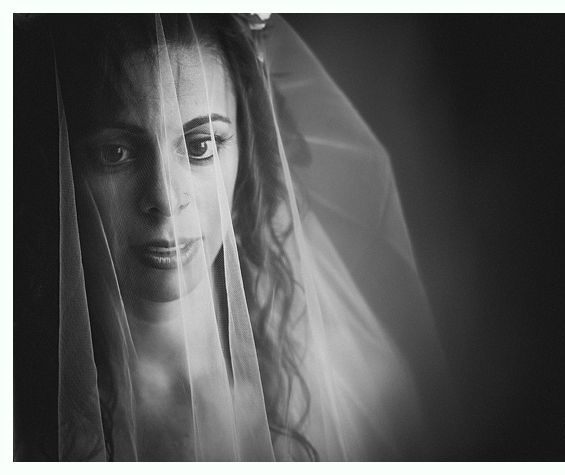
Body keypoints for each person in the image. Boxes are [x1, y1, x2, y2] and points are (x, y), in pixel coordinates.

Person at [14, 14, 449, 461]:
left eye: (201, 145)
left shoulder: (349, 386)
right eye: (116, 153)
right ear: (58, 166)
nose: (165, 198)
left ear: (246, 153)